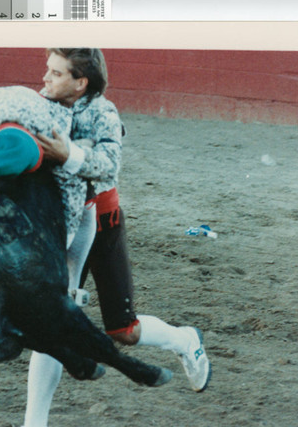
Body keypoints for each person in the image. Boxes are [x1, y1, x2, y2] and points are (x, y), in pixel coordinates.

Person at [22, 48, 212, 427]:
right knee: (52, 323)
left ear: (81, 82)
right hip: (59, 223)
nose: (45, 79)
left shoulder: (103, 112)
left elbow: (108, 165)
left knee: (124, 330)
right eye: (47, 70)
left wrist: (68, 153)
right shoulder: (40, 104)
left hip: (101, 221)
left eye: (56, 73)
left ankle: (184, 340)